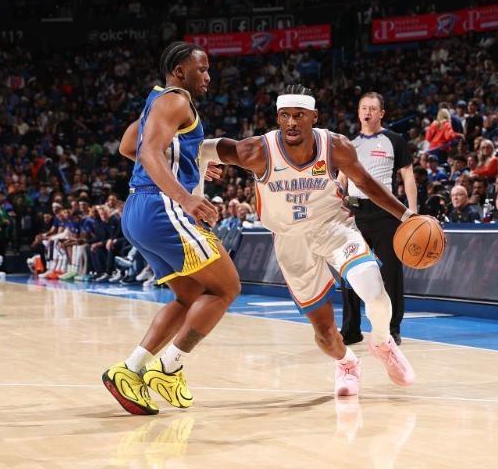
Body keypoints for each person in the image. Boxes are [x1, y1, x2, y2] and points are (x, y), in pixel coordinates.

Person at [201, 84, 417, 397]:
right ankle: (347, 363)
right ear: (278, 117)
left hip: (334, 227)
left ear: (314, 116)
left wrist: (407, 216)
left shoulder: (336, 146)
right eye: (285, 115)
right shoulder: (258, 150)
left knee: (377, 295)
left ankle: (383, 343)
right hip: (291, 240)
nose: (291, 122)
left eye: (299, 115)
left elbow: (367, 183)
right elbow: (201, 147)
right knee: (325, 334)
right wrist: (199, 171)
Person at [102, 42, 241, 416]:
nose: (208, 77)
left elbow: (129, 145)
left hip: (138, 210)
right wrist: (185, 197)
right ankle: (168, 369)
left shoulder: (156, 101)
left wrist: (189, 162)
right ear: (180, 71)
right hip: (163, 207)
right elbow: (148, 153)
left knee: (190, 295)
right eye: (202, 69)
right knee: (227, 287)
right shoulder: (177, 100)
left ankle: (130, 370)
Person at [337, 92, 417, 346]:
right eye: (363, 108)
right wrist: (337, 205)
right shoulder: (349, 144)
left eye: (372, 108)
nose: (367, 112)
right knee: (350, 272)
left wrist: (412, 212)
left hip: (386, 212)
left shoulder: (395, 140)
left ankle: (392, 329)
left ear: (381, 113)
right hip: (354, 213)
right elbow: (341, 179)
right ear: (358, 112)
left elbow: (408, 176)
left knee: (391, 273)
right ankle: (351, 329)